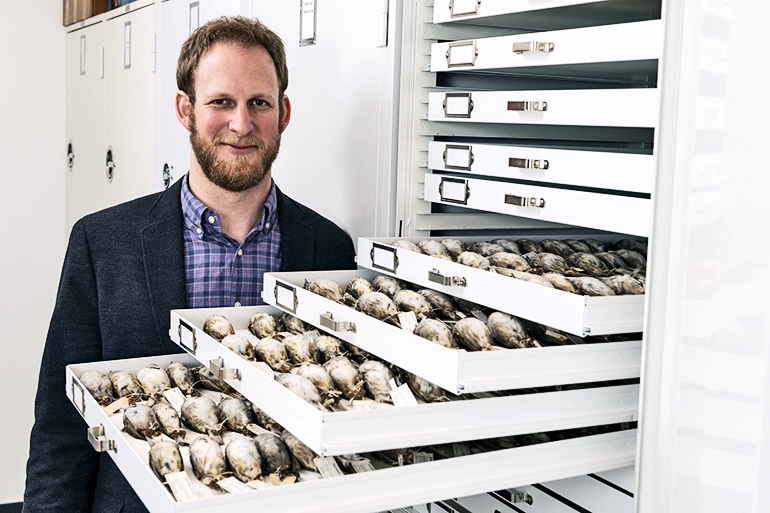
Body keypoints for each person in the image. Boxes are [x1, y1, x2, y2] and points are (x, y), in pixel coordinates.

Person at [22, 15, 356, 513]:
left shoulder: (329, 248)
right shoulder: (103, 243)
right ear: (186, 109)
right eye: (221, 101)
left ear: (283, 113)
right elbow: (61, 428)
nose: (241, 124)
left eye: (258, 103)